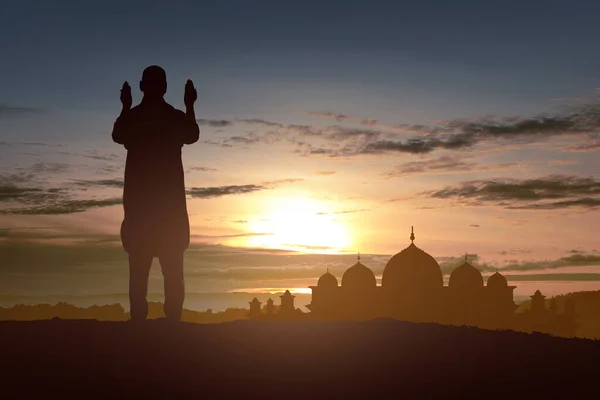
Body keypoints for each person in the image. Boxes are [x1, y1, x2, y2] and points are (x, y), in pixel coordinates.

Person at [112, 65, 200, 322]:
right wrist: (190, 106)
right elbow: (192, 134)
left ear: (142, 86)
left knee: (140, 273)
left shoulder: (136, 118)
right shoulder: (172, 117)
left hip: (142, 211)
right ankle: (171, 326)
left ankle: (143, 325)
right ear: (163, 87)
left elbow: (118, 134)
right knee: (171, 273)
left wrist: (125, 107)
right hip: (166, 211)